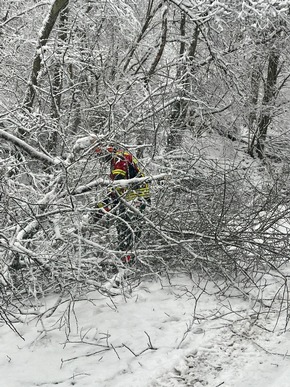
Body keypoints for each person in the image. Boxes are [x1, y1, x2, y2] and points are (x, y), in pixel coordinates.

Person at [93, 144, 150, 265]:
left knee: (126, 228)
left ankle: (127, 263)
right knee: (127, 228)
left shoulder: (119, 159)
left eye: (100, 154)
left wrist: (100, 209)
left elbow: (117, 188)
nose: (100, 158)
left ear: (107, 151)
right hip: (136, 197)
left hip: (135, 197)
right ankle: (128, 260)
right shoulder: (122, 157)